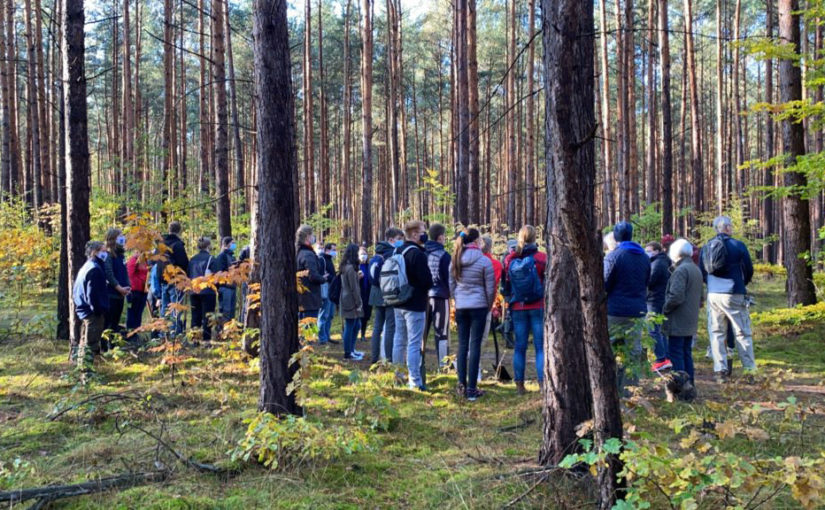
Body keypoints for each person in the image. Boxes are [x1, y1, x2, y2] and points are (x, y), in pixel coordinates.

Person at [699, 216, 756, 382]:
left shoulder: (707, 246)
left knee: (716, 332)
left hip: (713, 295)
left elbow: (703, 270)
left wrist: (711, 285)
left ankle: (720, 371)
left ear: (716, 228)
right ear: (728, 228)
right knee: (742, 332)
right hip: (734, 292)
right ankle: (749, 372)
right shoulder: (738, 245)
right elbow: (749, 269)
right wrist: (741, 284)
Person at [603, 221, 650, 394]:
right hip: (637, 311)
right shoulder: (644, 256)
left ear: (615, 237)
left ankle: (609, 389)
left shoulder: (613, 256)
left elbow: (604, 283)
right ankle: (629, 390)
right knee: (633, 351)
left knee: (610, 349)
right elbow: (647, 282)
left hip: (615, 311)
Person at [450, 228, 495, 401]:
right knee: (474, 345)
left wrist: (457, 299)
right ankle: (471, 389)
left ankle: (461, 385)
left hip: (462, 306)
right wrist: (488, 305)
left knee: (462, 345)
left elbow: (451, 283)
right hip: (479, 307)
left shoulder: (455, 259)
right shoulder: (484, 261)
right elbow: (490, 288)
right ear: (477, 241)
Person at [503, 225, 546, 395]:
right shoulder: (542, 258)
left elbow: (506, 285)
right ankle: (543, 385)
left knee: (519, 347)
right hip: (538, 306)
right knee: (540, 347)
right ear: (535, 238)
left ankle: (519, 386)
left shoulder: (510, 260)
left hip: (518, 306)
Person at [392, 220, 434, 390]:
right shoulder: (417, 254)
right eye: (423, 231)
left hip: (398, 302)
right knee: (414, 343)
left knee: (399, 340)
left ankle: (397, 376)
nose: (425, 234)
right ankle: (415, 381)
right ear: (415, 234)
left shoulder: (398, 250)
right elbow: (427, 280)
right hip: (415, 304)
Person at [663, 239, 703, 387]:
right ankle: (689, 385)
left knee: (676, 354)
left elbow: (676, 297)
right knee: (686, 353)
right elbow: (701, 297)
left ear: (674, 253)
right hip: (690, 320)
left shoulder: (681, 270)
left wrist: (664, 309)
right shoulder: (695, 269)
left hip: (678, 320)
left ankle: (680, 387)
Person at [368, 227, 404, 364]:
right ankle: (388, 358)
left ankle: (374, 356)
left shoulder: (378, 252)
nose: (401, 242)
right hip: (389, 293)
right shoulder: (392, 253)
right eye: (399, 239)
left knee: (377, 326)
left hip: (376, 293)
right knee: (390, 326)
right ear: (391, 240)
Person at [72, 241, 110, 370]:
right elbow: (92, 294)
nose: (106, 253)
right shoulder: (94, 269)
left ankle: (82, 367)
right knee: (91, 343)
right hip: (92, 312)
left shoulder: (87, 266)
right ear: (95, 252)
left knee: (85, 341)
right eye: (103, 251)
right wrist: (98, 310)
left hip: (85, 309)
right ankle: (87, 372)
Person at [424, 223, 452, 381]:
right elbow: (449, 278)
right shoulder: (444, 255)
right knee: (442, 333)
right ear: (440, 237)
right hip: (440, 296)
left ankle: (419, 363)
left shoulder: (422, 252)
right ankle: (444, 366)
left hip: (424, 297)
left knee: (422, 332)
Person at [479, 235, 504, 382]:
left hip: (466, 304)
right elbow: (493, 285)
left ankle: (470, 367)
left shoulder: (465, 260)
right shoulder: (495, 264)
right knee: (480, 339)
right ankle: (474, 370)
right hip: (484, 305)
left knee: (470, 338)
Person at [645, 241, 672, 372]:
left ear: (657, 250)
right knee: (659, 330)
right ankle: (666, 357)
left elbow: (650, 281)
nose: (647, 253)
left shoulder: (658, 263)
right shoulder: (662, 262)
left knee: (653, 330)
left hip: (654, 300)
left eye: (649, 250)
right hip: (658, 299)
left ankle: (661, 359)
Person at [103, 228, 131, 348]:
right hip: (111, 294)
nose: (123, 239)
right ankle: (104, 346)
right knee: (108, 323)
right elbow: (109, 274)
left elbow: (124, 272)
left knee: (115, 322)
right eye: (120, 237)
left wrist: (127, 286)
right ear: (113, 238)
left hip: (121, 294)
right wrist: (119, 288)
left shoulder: (121, 255)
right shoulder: (108, 255)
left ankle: (113, 346)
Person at [161, 221, 189, 335]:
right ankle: (174, 334)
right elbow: (183, 263)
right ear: (179, 231)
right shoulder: (178, 245)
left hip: (163, 279)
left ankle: (163, 334)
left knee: (165, 309)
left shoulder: (161, 244)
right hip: (176, 280)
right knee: (175, 308)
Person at [188, 237, 218, 342]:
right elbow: (216, 276)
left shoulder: (192, 259)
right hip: (207, 291)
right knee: (207, 316)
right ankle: (206, 340)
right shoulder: (211, 259)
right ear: (208, 245)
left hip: (194, 290)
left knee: (195, 315)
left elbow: (189, 274)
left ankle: (195, 339)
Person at [339, 244, 365, 360]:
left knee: (356, 324)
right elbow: (353, 288)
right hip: (350, 300)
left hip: (346, 298)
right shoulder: (350, 268)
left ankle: (351, 349)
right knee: (350, 325)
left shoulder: (346, 267)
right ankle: (348, 352)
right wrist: (359, 302)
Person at [296, 225, 325, 321]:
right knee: (310, 331)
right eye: (312, 235)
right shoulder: (308, 254)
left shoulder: (298, 253)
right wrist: (323, 278)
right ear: (307, 236)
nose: (314, 237)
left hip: (301, 298)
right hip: (309, 299)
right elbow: (312, 275)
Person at [317, 243, 338, 344]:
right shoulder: (322, 259)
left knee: (330, 315)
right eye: (333, 249)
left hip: (332, 288)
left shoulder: (330, 260)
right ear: (327, 250)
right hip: (325, 288)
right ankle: (322, 338)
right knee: (324, 314)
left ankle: (327, 335)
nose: (335, 252)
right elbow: (322, 275)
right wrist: (331, 278)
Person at [214, 236, 238, 323]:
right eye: (232, 243)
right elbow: (219, 273)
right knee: (225, 311)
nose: (234, 245)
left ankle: (230, 332)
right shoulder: (222, 256)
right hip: (225, 287)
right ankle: (222, 331)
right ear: (227, 244)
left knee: (231, 311)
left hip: (232, 287)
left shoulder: (232, 257)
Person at [126, 248, 149, 333]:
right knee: (132, 311)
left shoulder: (145, 261)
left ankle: (137, 330)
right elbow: (130, 276)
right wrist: (141, 282)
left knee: (139, 312)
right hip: (134, 291)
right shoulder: (133, 261)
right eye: (138, 252)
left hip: (143, 290)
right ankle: (131, 332)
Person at [358, 247, 373, 343]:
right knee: (358, 314)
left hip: (368, 293)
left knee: (366, 314)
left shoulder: (369, 266)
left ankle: (363, 333)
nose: (363, 256)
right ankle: (356, 333)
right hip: (359, 293)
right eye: (361, 254)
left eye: (365, 254)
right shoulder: (356, 266)